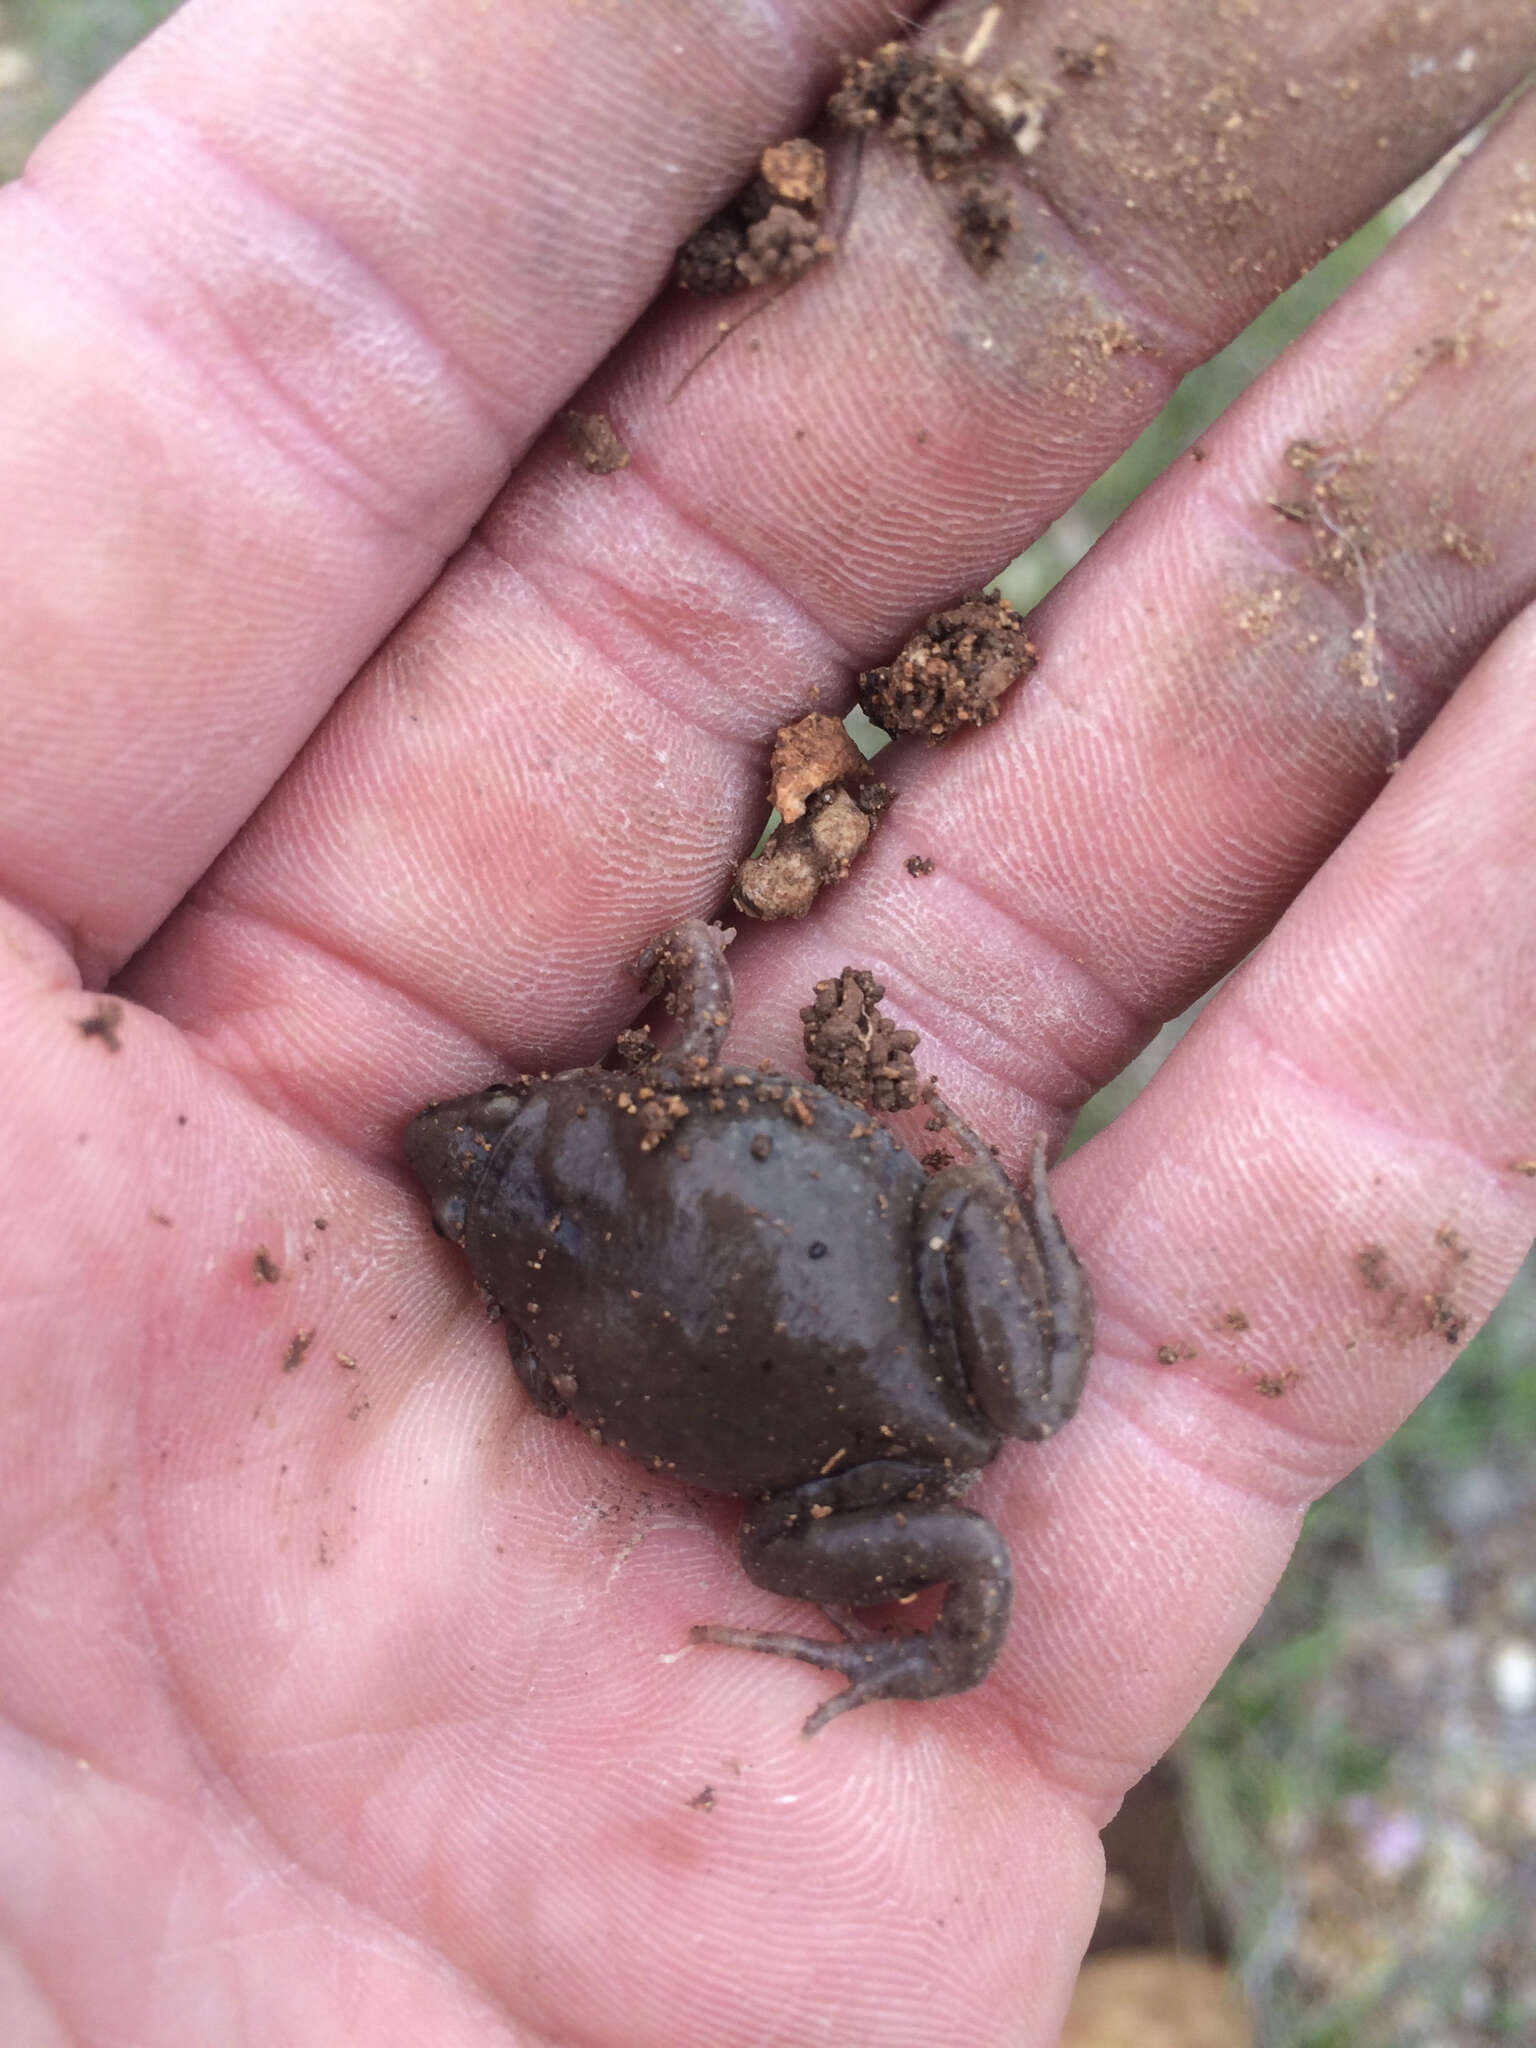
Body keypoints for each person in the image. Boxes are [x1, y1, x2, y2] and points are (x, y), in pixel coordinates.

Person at [2, 2, 1532, 2040]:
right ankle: (936, 1505)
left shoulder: (571, 1288)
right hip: (876, 1364)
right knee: (984, 1402)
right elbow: (676, 1163)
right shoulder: (587, 1253)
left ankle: (930, 1534)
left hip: (883, 1379)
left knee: (994, 1419)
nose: (486, 1144)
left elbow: (671, 1196)